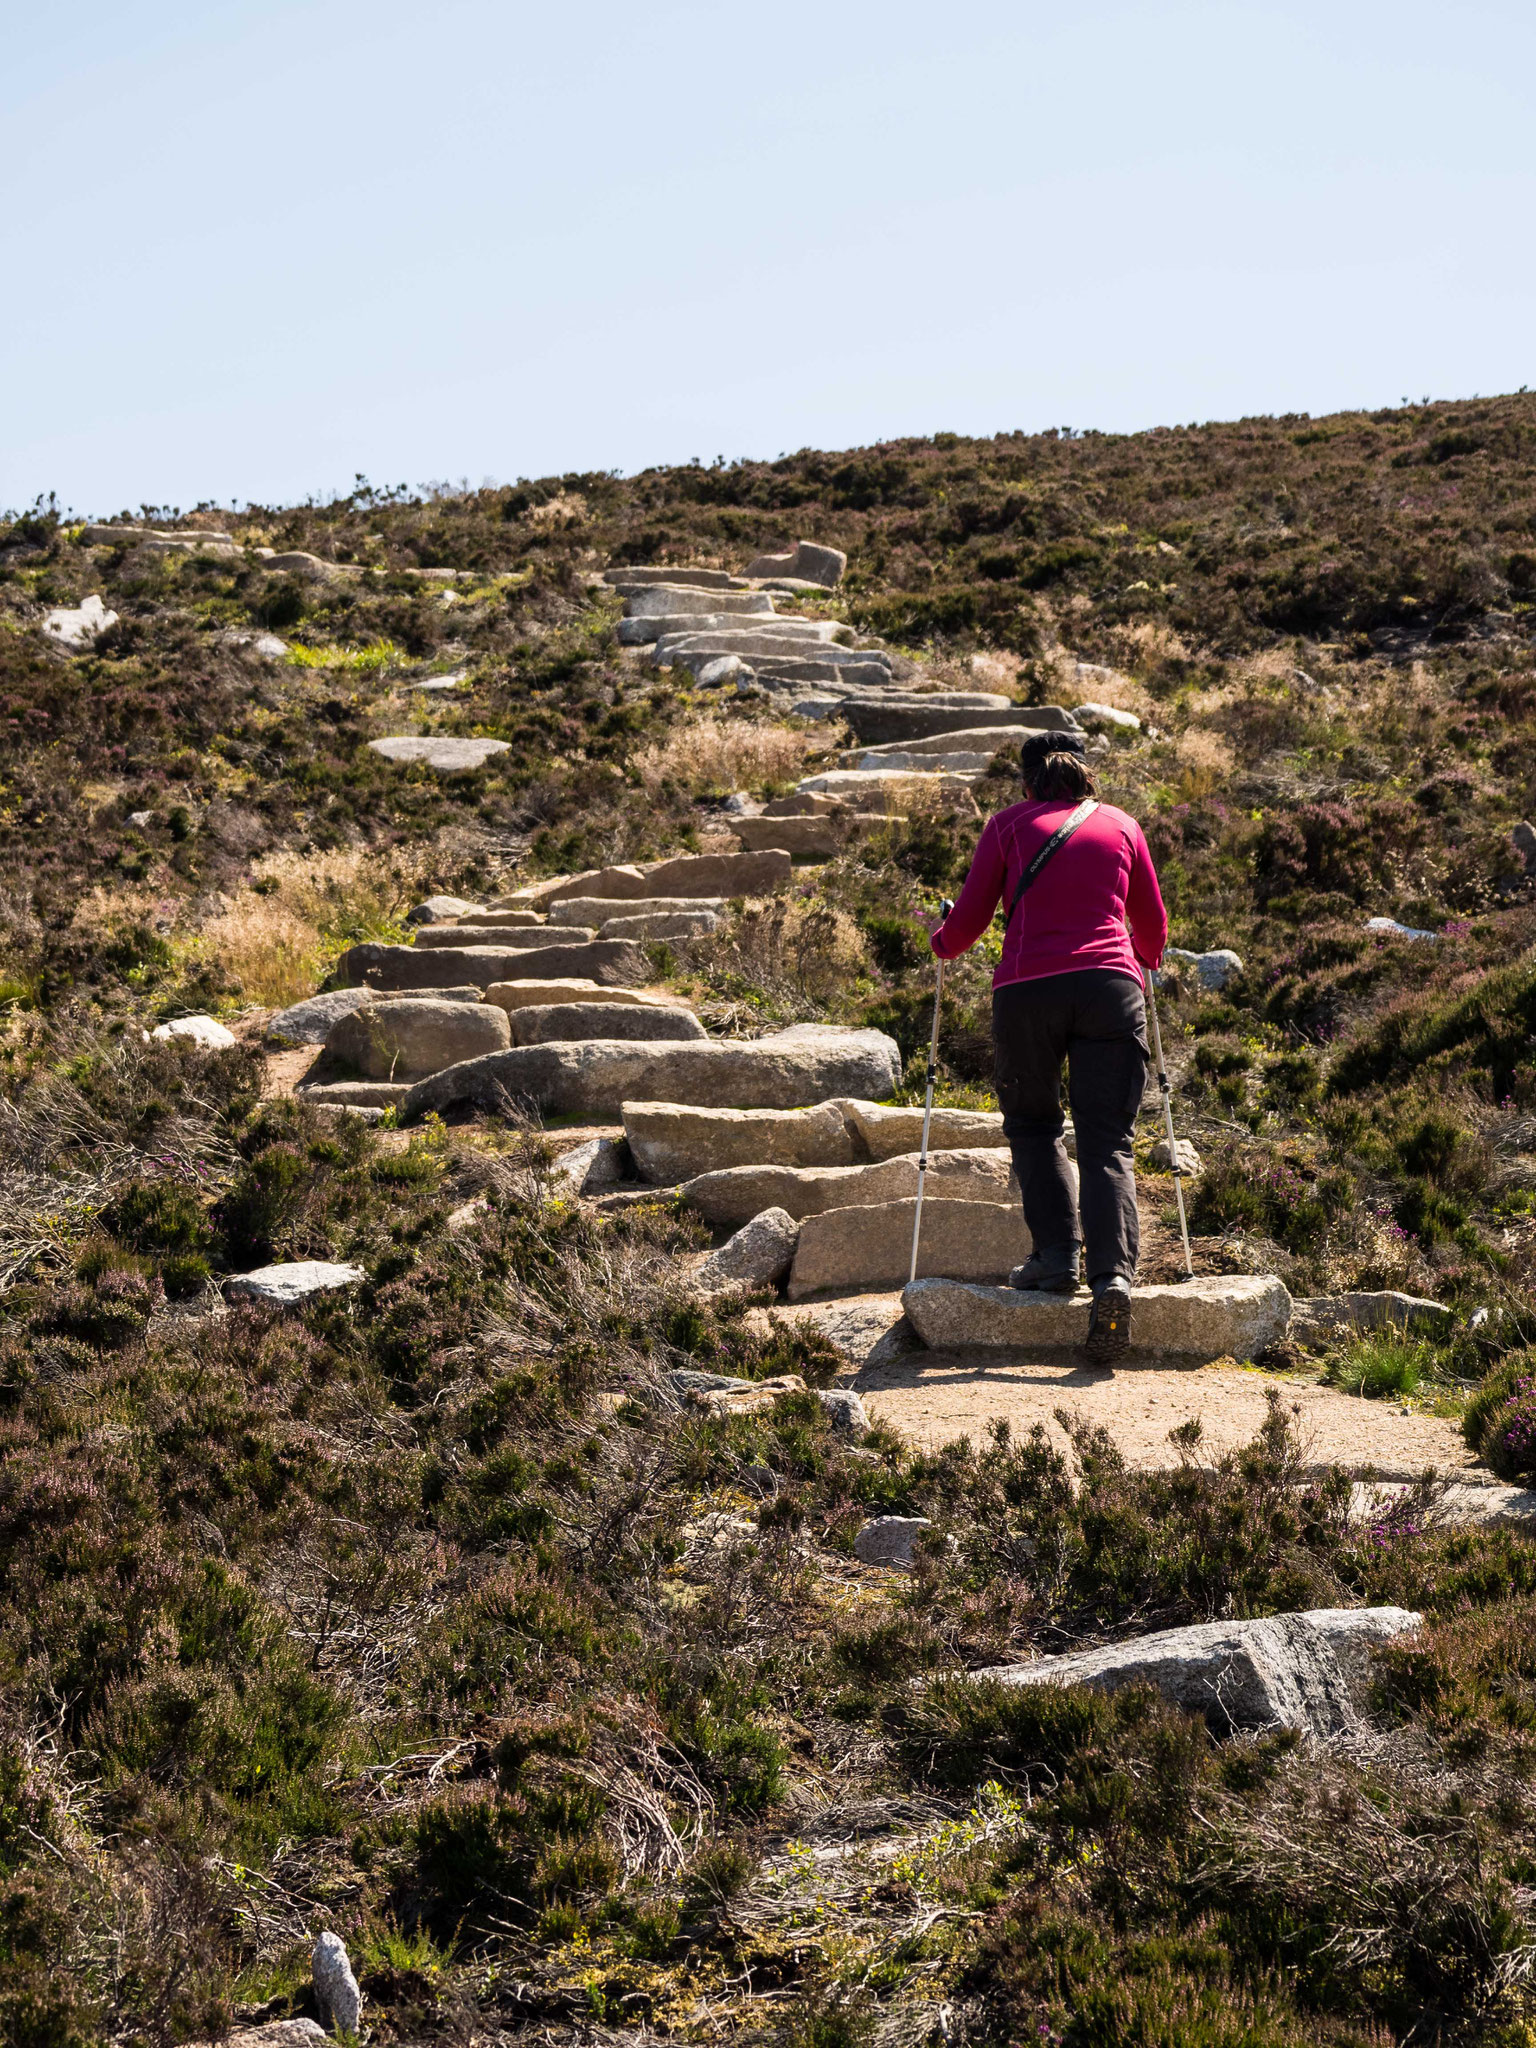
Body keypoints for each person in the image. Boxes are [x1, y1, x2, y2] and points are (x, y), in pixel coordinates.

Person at [925, 731, 1168, 1364]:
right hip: (1110, 990)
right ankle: (1113, 1278)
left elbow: (970, 920)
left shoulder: (1007, 826)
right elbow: (1153, 928)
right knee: (1108, 1139)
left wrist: (942, 943)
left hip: (1028, 992)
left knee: (1034, 1127)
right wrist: (1141, 959)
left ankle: (1055, 1260)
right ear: (1088, 775)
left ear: (1027, 783)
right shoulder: (1122, 825)